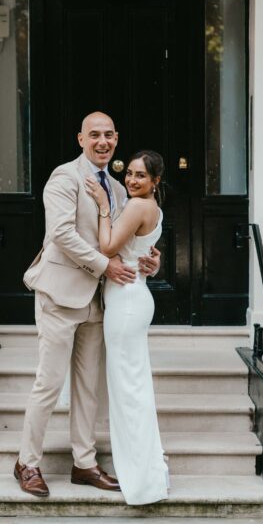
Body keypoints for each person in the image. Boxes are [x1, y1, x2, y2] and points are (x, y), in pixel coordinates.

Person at [17, 111, 160, 497]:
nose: (102, 141)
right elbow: (61, 234)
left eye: (109, 135)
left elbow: (121, 237)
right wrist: (106, 265)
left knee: (88, 388)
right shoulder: (64, 178)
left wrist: (148, 258)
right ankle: (27, 463)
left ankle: (84, 463)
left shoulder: (116, 188)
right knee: (49, 383)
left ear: (116, 139)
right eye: (94, 134)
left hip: (100, 301)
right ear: (80, 139)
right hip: (60, 295)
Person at [84, 150, 170, 505]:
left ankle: (142, 477)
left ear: (155, 182)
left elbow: (107, 246)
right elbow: (145, 253)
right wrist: (153, 260)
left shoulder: (136, 206)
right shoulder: (152, 208)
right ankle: (147, 468)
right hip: (133, 296)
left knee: (129, 390)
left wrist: (104, 205)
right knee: (132, 387)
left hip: (128, 302)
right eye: (130, 173)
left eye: (141, 176)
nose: (133, 180)